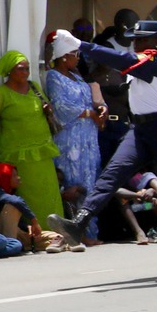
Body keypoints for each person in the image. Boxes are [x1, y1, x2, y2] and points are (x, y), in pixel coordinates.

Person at [47, 24, 157, 277]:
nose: (135, 44)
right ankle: (78, 224)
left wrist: (80, 44)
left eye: (140, 40)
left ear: (154, 41)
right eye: (134, 39)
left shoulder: (156, 61)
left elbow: (119, 59)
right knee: (112, 174)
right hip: (141, 130)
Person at [0, 50, 65, 224]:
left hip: (42, 152)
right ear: (9, 71)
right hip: (17, 155)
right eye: (21, 69)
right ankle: (37, 235)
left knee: (49, 192)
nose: (25, 73)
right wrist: (5, 137)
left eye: (27, 69)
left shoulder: (34, 86)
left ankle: (57, 232)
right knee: (28, 196)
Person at [44, 31, 105, 223]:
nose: (78, 59)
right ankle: (76, 227)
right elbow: (61, 107)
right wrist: (89, 113)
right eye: (75, 55)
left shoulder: (77, 77)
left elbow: (91, 100)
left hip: (88, 138)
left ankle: (90, 228)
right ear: (63, 57)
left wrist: (101, 108)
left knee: (90, 182)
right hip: (70, 141)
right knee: (74, 182)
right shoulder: (53, 77)